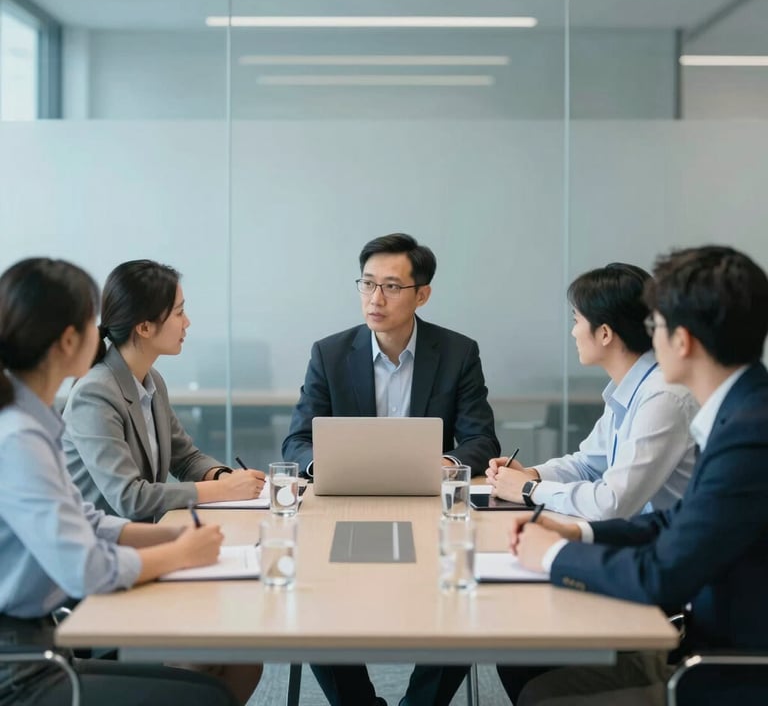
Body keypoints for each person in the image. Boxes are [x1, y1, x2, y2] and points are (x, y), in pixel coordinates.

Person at [505, 245, 768, 706]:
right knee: (529, 670)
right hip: (704, 637)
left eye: (656, 326)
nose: (650, 338)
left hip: (724, 667)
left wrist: (555, 554)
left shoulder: (749, 433)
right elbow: (674, 520)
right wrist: (576, 533)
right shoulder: (742, 413)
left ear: (682, 340)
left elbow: (663, 572)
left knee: (539, 693)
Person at [0, 257, 257, 706]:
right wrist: (176, 552)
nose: (100, 330)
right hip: (22, 665)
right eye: (89, 321)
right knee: (206, 694)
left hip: (41, 645)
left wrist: (174, 533)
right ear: (67, 340)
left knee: (237, 662)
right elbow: (86, 566)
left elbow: (90, 520)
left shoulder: (34, 423)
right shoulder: (22, 436)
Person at [282, 233, 500, 706]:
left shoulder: (458, 352)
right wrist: (327, 464)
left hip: (432, 511)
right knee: (310, 597)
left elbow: (482, 439)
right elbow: (297, 441)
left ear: (422, 294)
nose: (375, 299)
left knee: (464, 596)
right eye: (367, 284)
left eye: (391, 287)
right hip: (343, 508)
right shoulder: (331, 353)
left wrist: (445, 462)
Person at [488, 263, 697, 519]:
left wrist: (529, 489)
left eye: (576, 320)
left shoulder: (663, 397)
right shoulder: (629, 388)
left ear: (605, 333)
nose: (573, 332)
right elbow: (588, 465)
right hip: (637, 538)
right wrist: (532, 475)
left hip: (663, 547)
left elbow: (613, 504)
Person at [63, 260, 265, 523]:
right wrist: (223, 490)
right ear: (144, 327)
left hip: (142, 537)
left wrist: (223, 476)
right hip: (101, 550)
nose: (187, 322)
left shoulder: (152, 381)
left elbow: (186, 459)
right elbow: (130, 498)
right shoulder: (94, 394)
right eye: (179, 313)